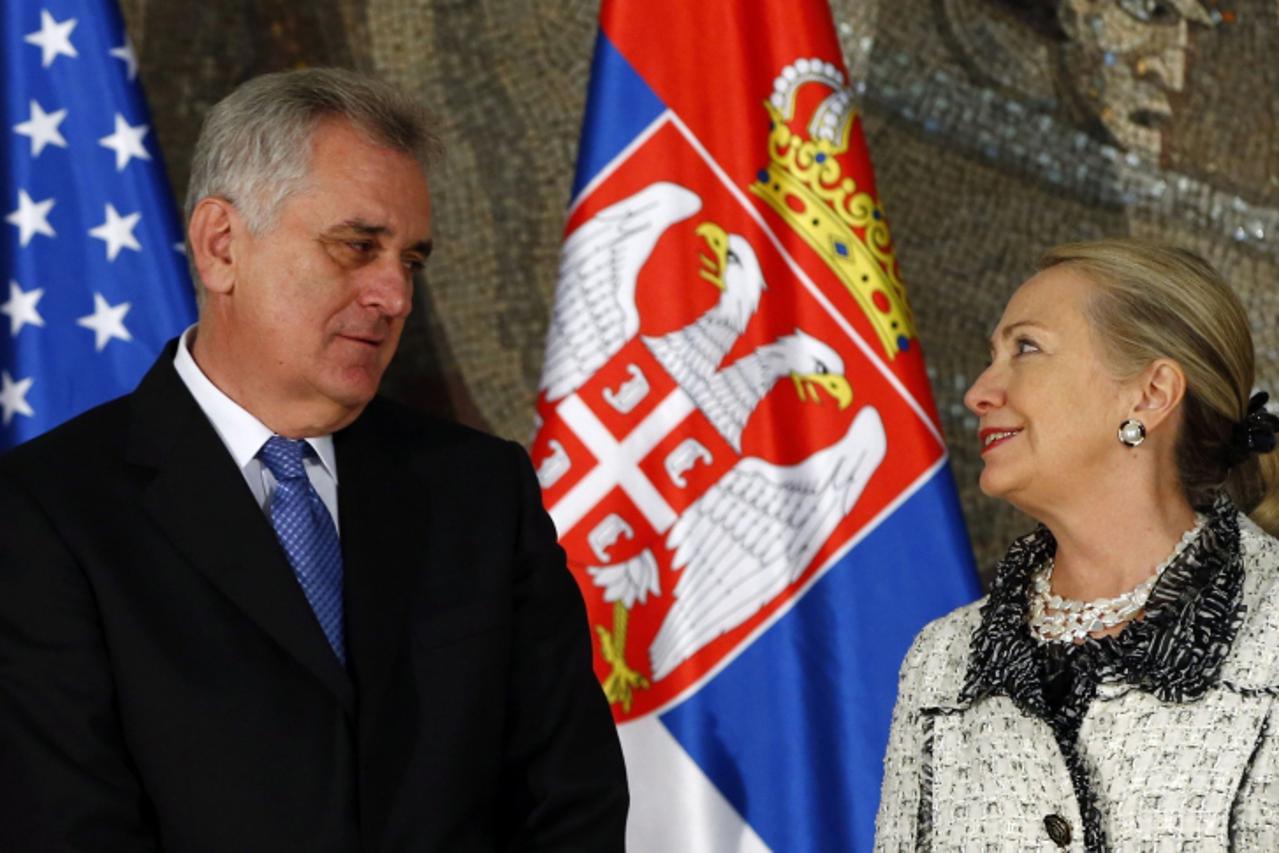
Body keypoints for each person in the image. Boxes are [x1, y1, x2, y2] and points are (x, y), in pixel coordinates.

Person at [0, 68, 627, 851]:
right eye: (357, 247)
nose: (395, 294)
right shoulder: (46, 513)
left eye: (411, 260)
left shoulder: (479, 491)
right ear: (222, 245)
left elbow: (570, 802)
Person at [875, 238, 1279, 850]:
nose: (980, 392)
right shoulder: (942, 664)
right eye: (994, 354)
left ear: (1150, 394)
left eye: (1026, 348)